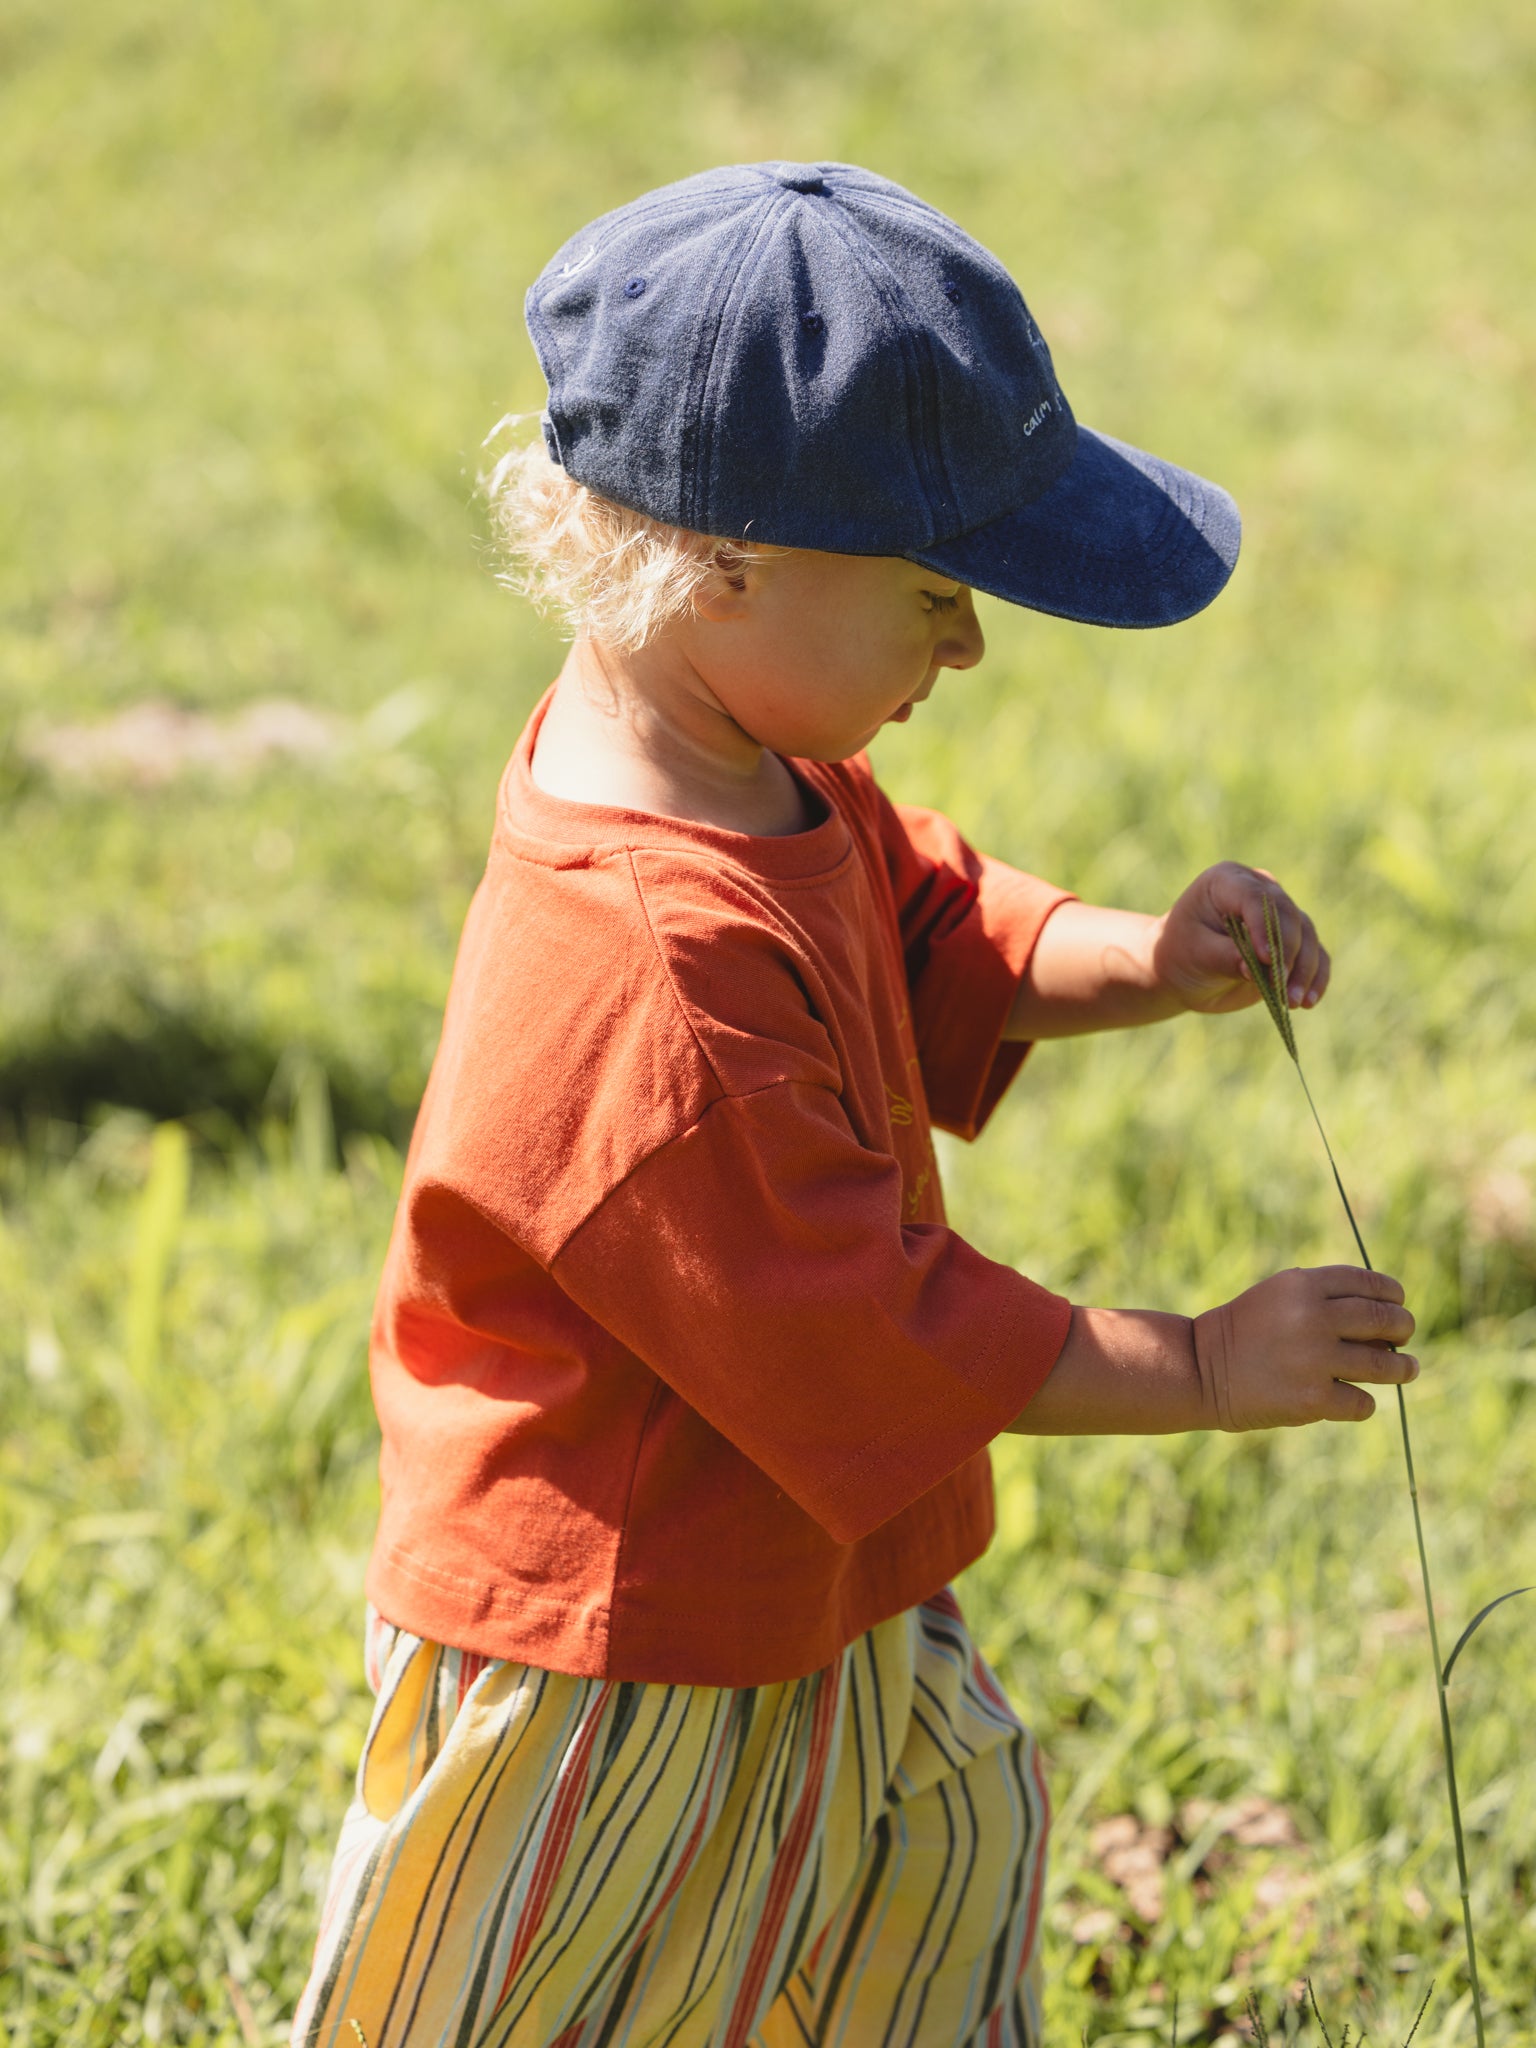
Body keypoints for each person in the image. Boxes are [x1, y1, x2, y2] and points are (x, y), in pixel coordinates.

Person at [291, 162, 1417, 2048]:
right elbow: (868, 1329)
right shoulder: (646, 961)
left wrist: (1145, 956)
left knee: (910, 1921)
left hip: (815, 1568)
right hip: (624, 1649)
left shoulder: (752, 763)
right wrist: (1209, 1366)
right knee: (576, 2003)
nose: (966, 648)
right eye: (936, 595)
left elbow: (929, 922)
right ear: (727, 560)